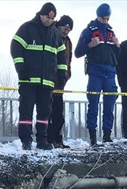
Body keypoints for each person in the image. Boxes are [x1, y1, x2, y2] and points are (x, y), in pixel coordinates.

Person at [10, 2, 66, 151]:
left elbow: (61, 55)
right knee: (26, 111)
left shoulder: (55, 33)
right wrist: (20, 68)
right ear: (41, 15)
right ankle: (26, 140)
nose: (49, 21)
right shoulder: (27, 28)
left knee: (44, 113)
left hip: (47, 81)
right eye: (47, 17)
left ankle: (42, 140)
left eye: (52, 19)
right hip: (28, 80)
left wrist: (62, 73)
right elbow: (15, 47)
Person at [74, 3, 120, 146]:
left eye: (108, 19)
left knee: (109, 106)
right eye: (103, 19)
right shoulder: (88, 31)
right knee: (93, 104)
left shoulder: (111, 32)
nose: (106, 21)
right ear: (98, 16)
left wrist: (118, 46)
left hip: (110, 73)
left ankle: (107, 135)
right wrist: (90, 45)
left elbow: (117, 57)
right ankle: (93, 137)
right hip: (95, 72)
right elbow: (77, 53)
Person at [47, 15, 74, 149]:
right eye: (64, 28)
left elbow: (68, 60)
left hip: (60, 83)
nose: (66, 31)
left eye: (68, 30)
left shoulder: (68, 41)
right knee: (48, 113)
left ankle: (58, 139)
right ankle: (49, 139)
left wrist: (66, 75)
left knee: (59, 115)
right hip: (48, 81)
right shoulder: (51, 36)